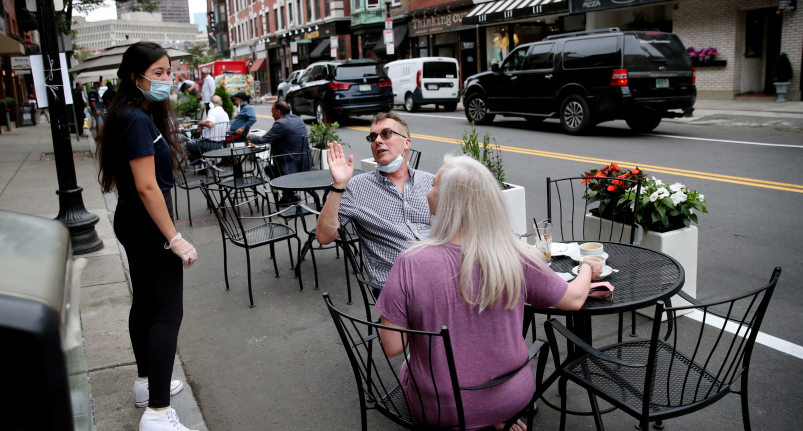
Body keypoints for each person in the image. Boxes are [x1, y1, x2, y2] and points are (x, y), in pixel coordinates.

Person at [375, 155, 603, 431]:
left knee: (413, 364)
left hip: (439, 408)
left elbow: (392, 346)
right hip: (512, 396)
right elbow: (574, 299)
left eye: (433, 185)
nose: (427, 191)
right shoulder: (517, 255)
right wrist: (588, 268)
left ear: (447, 202)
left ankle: (472, 419)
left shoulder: (412, 262)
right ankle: (495, 419)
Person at [96, 41, 199, 431]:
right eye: (158, 73)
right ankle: (157, 412)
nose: (166, 80)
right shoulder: (136, 120)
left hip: (133, 222)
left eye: (168, 72)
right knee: (167, 313)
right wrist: (174, 237)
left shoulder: (130, 113)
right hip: (146, 225)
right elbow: (147, 186)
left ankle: (146, 384)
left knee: (146, 305)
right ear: (134, 76)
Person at [316, 111, 433, 287]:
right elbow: (324, 236)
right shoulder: (358, 187)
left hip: (440, 272)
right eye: (372, 137)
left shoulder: (431, 182)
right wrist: (338, 185)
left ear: (407, 143)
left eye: (386, 134)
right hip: (397, 286)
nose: (377, 140)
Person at [246, 100, 310, 205]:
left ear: (278, 111)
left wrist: (250, 136)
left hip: (290, 166)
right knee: (273, 167)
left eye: (273, 112)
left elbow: (263, 139)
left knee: (269, 169)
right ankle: (289, 195)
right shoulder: (297, 119)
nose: (272, 115)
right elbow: (280, 137)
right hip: (303, 162)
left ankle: (290, 195)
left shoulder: (281, 123)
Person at [184, 95, 229, 164]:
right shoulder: (225, 114)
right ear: (221, 103)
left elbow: (210, 124)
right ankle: (203, 165)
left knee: (186, 145)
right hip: (220, 144)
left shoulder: (212, 111)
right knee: (195, 144)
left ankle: (200, 164)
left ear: (211, 104)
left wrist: (200, 123)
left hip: (208, 144)